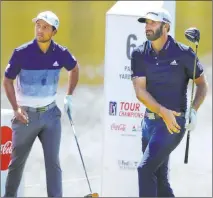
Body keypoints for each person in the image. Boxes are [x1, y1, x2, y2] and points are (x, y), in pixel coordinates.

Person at [131, 8, 208, 197]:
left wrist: (194, 110)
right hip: (149, 122)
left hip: (173, 123)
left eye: (152, 23)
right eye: (146, 23)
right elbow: (140, 91)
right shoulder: (139, 53)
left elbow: (202, 85)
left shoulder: (184, 54)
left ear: (166, 26)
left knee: (145, 169)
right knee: (160, 180)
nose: (147, 27)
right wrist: (160, 111)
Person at [3, 10, 79, 197]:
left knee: (53, 163)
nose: (40, 30)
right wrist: (16, 108)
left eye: (45, 27)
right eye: (38, 25)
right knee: (16, 163)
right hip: (25, 115)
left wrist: (69, 95)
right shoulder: (21, 53)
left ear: (54, 31)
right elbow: (7, 81)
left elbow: (74, 68)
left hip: (50, 115)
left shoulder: (61, 53)